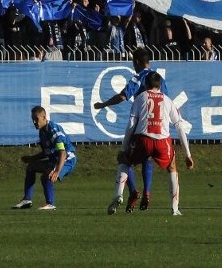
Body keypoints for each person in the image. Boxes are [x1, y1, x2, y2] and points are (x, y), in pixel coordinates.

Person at [107, 72, 194, 215]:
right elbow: (179, 126)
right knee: (172, 167)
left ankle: (118, 194)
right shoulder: (167, 100)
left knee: (125, 162)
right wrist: (188, 154)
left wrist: (124, 148)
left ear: (145, 85)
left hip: (143, 139)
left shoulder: (140, 98)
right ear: (160, 85)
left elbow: (131, 123)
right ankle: (175, 207)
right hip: (162, 141)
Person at [93, 47, 167, 212]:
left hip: (140, 125)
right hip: (158, 126)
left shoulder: (140, 76)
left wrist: (103, 104)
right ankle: (147, 193)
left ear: (137, 62)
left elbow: (122, 96)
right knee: (147, 159)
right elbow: (167, 100)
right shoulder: (160, 79)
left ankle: (133, 191)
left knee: (126, 158)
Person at [12, 105, 77, 210]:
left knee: (47, 175)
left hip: (67, 160)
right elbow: (47, 152)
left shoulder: (54, 130)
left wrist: (56, 171)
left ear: (44, 117)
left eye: (36, 119)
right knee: (31, 167)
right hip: (56, 159)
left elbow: (63, 153)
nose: (34, 122)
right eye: (33, 119)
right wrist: (32, 158)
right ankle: (27, 200)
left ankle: (50, 203)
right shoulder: (42, 131)